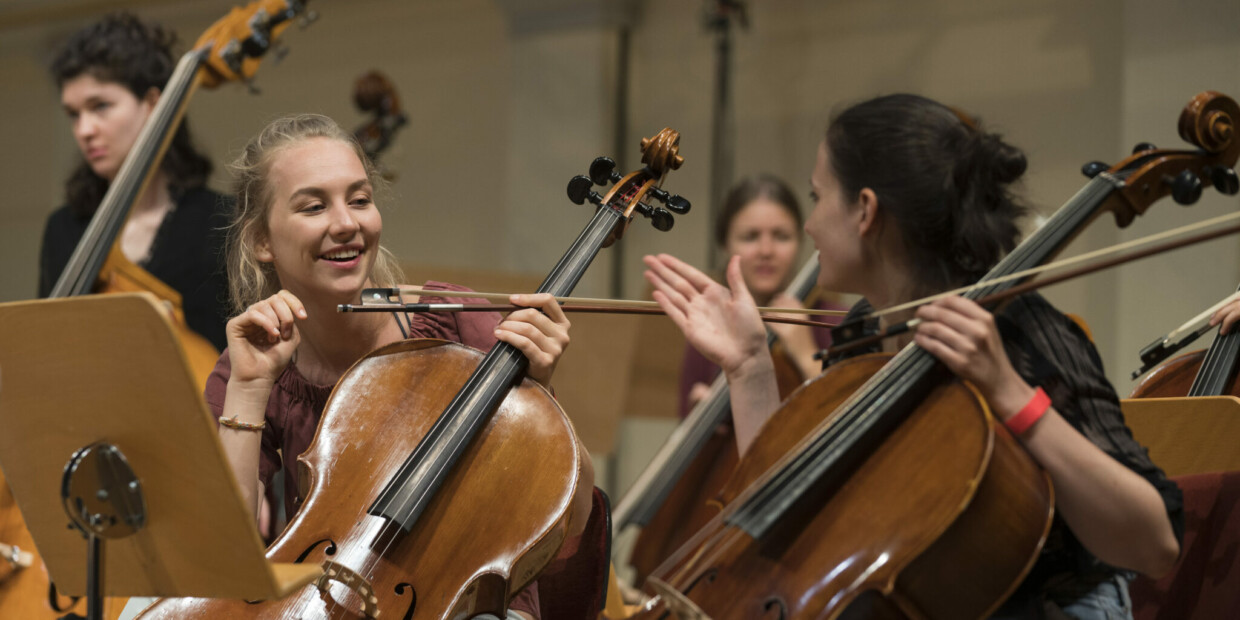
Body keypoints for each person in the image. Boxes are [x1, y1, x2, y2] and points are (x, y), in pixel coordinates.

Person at [644, 94, 1182, 618]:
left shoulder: (1020, 329)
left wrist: (1011, 394)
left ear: (865, 210)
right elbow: (798, 509)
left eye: (816, 197)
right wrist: (749, 366)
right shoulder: (862, 332)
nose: (808, 226)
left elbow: (1153, 545)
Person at [209, 113, 588, 620]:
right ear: (261, 240)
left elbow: (577, 513)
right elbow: (222, 553)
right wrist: (250, 388)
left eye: (360, 200)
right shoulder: (252, 361)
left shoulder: (455, 325)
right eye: (314, 206)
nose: (347, 223)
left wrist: (540, 390)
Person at [39, 12, 230, 351]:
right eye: (74, 114)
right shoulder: (63, 229)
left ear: (152, 104)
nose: (84, 130)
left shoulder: (222, 221)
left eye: (100, 106)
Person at [677, 174, 844, 416]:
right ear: (726, 245)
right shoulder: (708, 327)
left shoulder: (834, 322)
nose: (766, 251)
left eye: (781, 236)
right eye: (750, 237)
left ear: (800, 240)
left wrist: (807, 355)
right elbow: (684, 419)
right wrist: (698, 421)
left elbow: (851, 417)